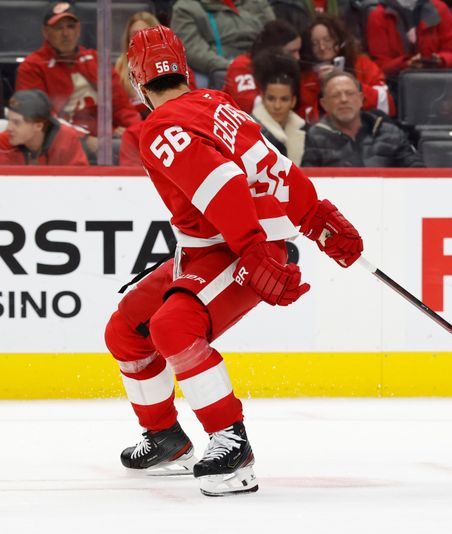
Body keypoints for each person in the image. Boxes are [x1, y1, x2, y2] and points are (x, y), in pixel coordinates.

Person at [106, 26, 363, 496]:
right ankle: (166, 438)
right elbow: (278, 167)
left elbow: (222, 181)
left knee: (173, 328)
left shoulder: (159, 125)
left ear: (138, 84)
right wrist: (316, 217)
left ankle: (232, 444)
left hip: (242, 248)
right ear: (184, 69)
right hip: (219, 248)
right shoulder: (219, 103)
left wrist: (253, 248)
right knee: (126, 328)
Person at [16, 2, 141, 145]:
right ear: (46, 32)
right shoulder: (33, 67)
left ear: (78, 29)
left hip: (106, 141)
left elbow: (122, 107)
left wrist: (136, 131)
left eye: (70, 26)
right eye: (58, 28)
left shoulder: (96, 61)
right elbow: (40, 119)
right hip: (61, 143)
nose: (66, 34)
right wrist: (84, 139)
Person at [302, 71, 423, 167]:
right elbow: (310, 185)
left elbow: (418, 176)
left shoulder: (389, 133)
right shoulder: (314, 137)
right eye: (335, 95)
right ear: (324, 104)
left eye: (349, 93)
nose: (344, 99)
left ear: (361, 99)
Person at [299, 14, 394, 123]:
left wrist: (348, 83)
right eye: (315, 43)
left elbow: (387, 103)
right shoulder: (306, 76)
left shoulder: (361, 63)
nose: (322, 47)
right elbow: (302, 118)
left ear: (339, 40)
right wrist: (322, 91)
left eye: (327, 40)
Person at [170, 0, 275, 84]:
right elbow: (192, 49)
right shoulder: (185, 8)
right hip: (221, 66)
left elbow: (276, 34)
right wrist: (229, 66)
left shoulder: (257, 3)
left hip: (262, 62)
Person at [365, 0, 452, 79]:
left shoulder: (440, 9)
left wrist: (440, 59)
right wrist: (406, 64)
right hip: (397, 85)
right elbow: (380, 65)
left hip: (440, 80)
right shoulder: (378, 16)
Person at [223, 20, 302, 112]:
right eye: (292, 52)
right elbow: (248, 104)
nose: (297, 57)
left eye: (299, 51)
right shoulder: (242, 65)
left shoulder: (289, 70)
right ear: (274, 50)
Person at [0, 89, 88, 166]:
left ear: (38, 126)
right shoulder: (4, 143)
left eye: (16, 123)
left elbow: (80, 181)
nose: (9, 128)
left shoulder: (65, 139)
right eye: (9, 120)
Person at [251, 53, 307, 164]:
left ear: (293, 101)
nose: (277, 106)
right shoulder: (250, 130)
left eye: (284, 99)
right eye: (271, 99)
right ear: (262, 98)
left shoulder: (306, 130)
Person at [115, 11, 161, 111]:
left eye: (145, 33)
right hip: (133, 124)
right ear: (128, 39)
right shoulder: (117, 70)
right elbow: (118, 111)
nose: (140, 38)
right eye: (135, 34)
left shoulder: (174, 67)